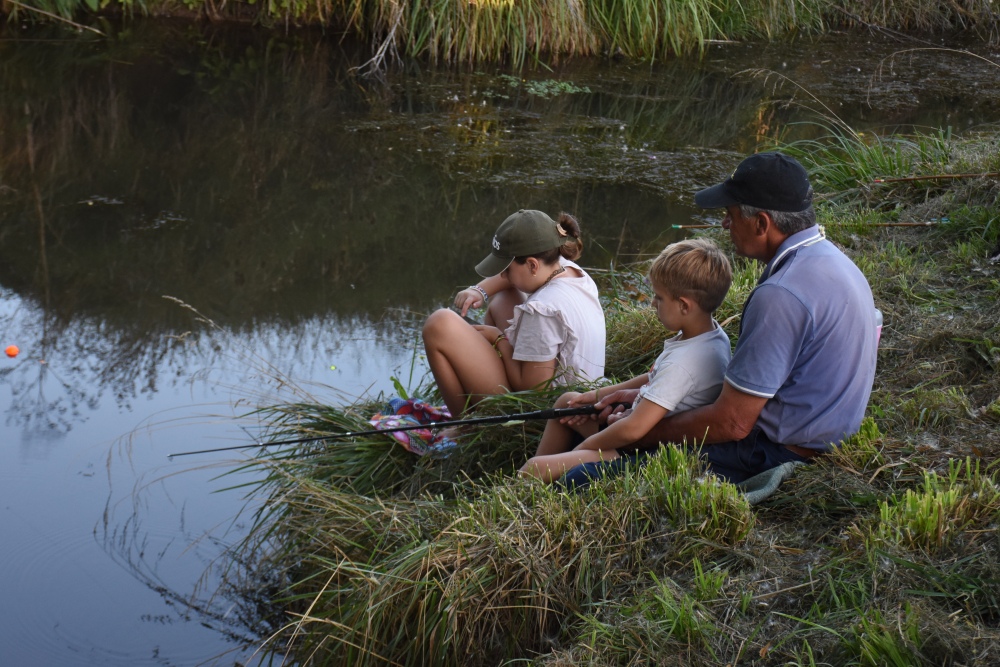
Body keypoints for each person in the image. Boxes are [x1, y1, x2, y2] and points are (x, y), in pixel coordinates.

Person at [563, 151, 878, 487]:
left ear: (761, 224)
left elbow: (733, 424)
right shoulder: (833, 261)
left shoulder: (781, 294)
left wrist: (642, 433)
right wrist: (645, 398)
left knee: (580, 479)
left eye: (730, 215)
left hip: (776, 450)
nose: (726, 224)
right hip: (822, 432)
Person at [519, 238, 732, 483]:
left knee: (533, 468)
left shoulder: (685, 363)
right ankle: (550, 471)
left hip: (639, 450)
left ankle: (526, 492)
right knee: (567, 403)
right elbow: (655, 378)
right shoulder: (708, 336)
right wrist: (599, 395)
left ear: (684, 306)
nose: (653, 303)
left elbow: (633, 429)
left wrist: (585, 449)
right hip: (636, 432)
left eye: (659, 298)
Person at [423, 209, 606, 417]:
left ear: (532, 265)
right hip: (570, 391)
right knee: (503, 298)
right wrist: (479, 291)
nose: (502, 274)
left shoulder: (543, 310)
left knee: (439, 324)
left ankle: (463, 425)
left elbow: (532, 393)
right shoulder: (569, 270)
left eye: (506, 268)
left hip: (542, 413)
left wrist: (498, 338)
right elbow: (511, 278)